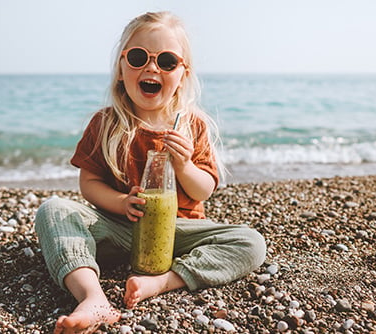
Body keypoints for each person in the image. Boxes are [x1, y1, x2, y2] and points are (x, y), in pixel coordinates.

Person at [35, 11, 266, 334]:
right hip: (120, 228)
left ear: (183, 75)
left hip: (178, 234)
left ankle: (162, 282)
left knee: (250, 242)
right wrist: (119, 202)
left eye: (167, 61)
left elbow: (204, 190)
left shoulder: (192, 126)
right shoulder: (106, 125)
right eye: (139, 57)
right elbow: (88, 183)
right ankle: (92, 297)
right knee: (54, 210)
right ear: (121, 69)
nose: (152, 68)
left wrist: (184, 165)